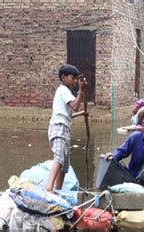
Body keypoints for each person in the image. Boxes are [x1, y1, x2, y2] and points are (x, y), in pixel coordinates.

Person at [45, 64, 87, 192]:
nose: (74, 81)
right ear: (63, 77)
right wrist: (81, 91)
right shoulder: (63, 90)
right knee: (59, 157)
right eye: (72, 78)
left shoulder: (65, 92)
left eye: (76, 79)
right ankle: (49, 188)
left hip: (64, 126)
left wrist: (82, 114)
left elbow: (68, 113)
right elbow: (75, 106)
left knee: (64, 164)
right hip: (59, 127)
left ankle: (58, 189)